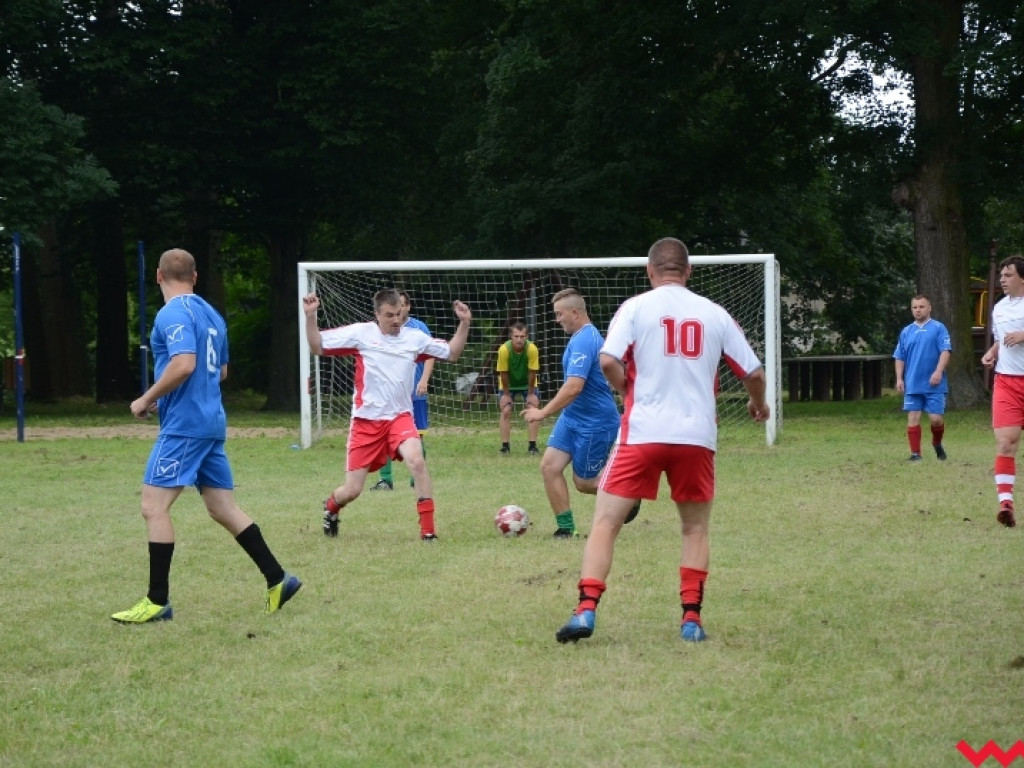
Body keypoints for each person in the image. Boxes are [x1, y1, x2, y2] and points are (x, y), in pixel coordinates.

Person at [555, 237, 769, 644]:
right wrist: (759, 405)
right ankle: (691, 620)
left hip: (644, 433)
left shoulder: (634, 308)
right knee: (694, 529)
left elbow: (607, 360)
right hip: (696, 436)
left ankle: (585, 612)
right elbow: (754, 374)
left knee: (605, 522)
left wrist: (627, 392)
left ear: (650, 271)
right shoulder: (715, 313)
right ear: (688, 272)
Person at [112, 248, 302, 624]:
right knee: (221, 507)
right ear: (195, 277)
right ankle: (278, 579)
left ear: (158, 276)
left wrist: (147, 398)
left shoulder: (172, 313)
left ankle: (156, 601)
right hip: (211, 421)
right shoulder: (212, 314)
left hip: (185, 426)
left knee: (153, 507)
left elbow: (184, 364)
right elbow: (223, 371)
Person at [304, 288, 471, 540]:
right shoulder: (360, 334)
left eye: (399, 314)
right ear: (377, 315)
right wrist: (310, 316)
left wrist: (465, 323)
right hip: (365, 422)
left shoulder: (414, 338)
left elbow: (452, 353)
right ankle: (331, 507)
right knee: (352, 490)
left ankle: (428, 532)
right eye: (389, 315)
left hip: (399, 417)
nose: (395, 320)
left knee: (417, 460)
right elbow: (317, 345)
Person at [521, 288, 623, 538]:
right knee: (549, 467)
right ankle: (566, 529)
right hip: (572, 418)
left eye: (559, 314)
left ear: (575, 313)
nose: (557, 320)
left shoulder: (586, 340)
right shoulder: (578, 337)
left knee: (584, 482)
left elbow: (574, 387)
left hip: (595, 422)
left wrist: (542, 412)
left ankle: (628, 493)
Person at [371, 290, 435, 490]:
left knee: (417, 435)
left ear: (407, 307)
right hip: (388, 394)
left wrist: (424, 380)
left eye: (401, 306)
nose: (397, 313)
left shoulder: (418, 328)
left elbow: (431, 353)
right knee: (382, 434)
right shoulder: (379, 330)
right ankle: (385, 479)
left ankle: (417, 479)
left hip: (415, 392)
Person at [981, 254, 1024, 528]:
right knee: (1006, 443)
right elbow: (1001, 340)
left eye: (1008, 275)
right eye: (1002, 275)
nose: (1002, 279)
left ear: (1022, 277)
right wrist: (992, 352)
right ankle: (1005, 505)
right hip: (1007, 383)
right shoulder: (998, 308)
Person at [892, 295, 952, 462]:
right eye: (915, 307)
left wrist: (938, 371)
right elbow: (899, 357)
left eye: (921, 306)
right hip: (912, 383)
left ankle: (937, 442)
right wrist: (899, 379)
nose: (918, 310)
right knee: (913, 417)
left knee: (936, 419)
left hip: (934, 384)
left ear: (929, 308)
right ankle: (916, 454)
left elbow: (945, 351)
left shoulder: (939, 328)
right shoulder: (906, 331)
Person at [496, 321, 542, 454]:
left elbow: (532, 372)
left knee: (533, 409)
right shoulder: (504, 350)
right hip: (508, 384)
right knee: (506, 411)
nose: (519, 340)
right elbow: (503, 373)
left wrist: (531, 393)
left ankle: (532, 446)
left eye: (522, 336)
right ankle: (505, 447)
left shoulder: (532, 349)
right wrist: (505, 395)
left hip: (527, 383)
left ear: (526, 337)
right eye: (516, 336)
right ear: (511, 337)